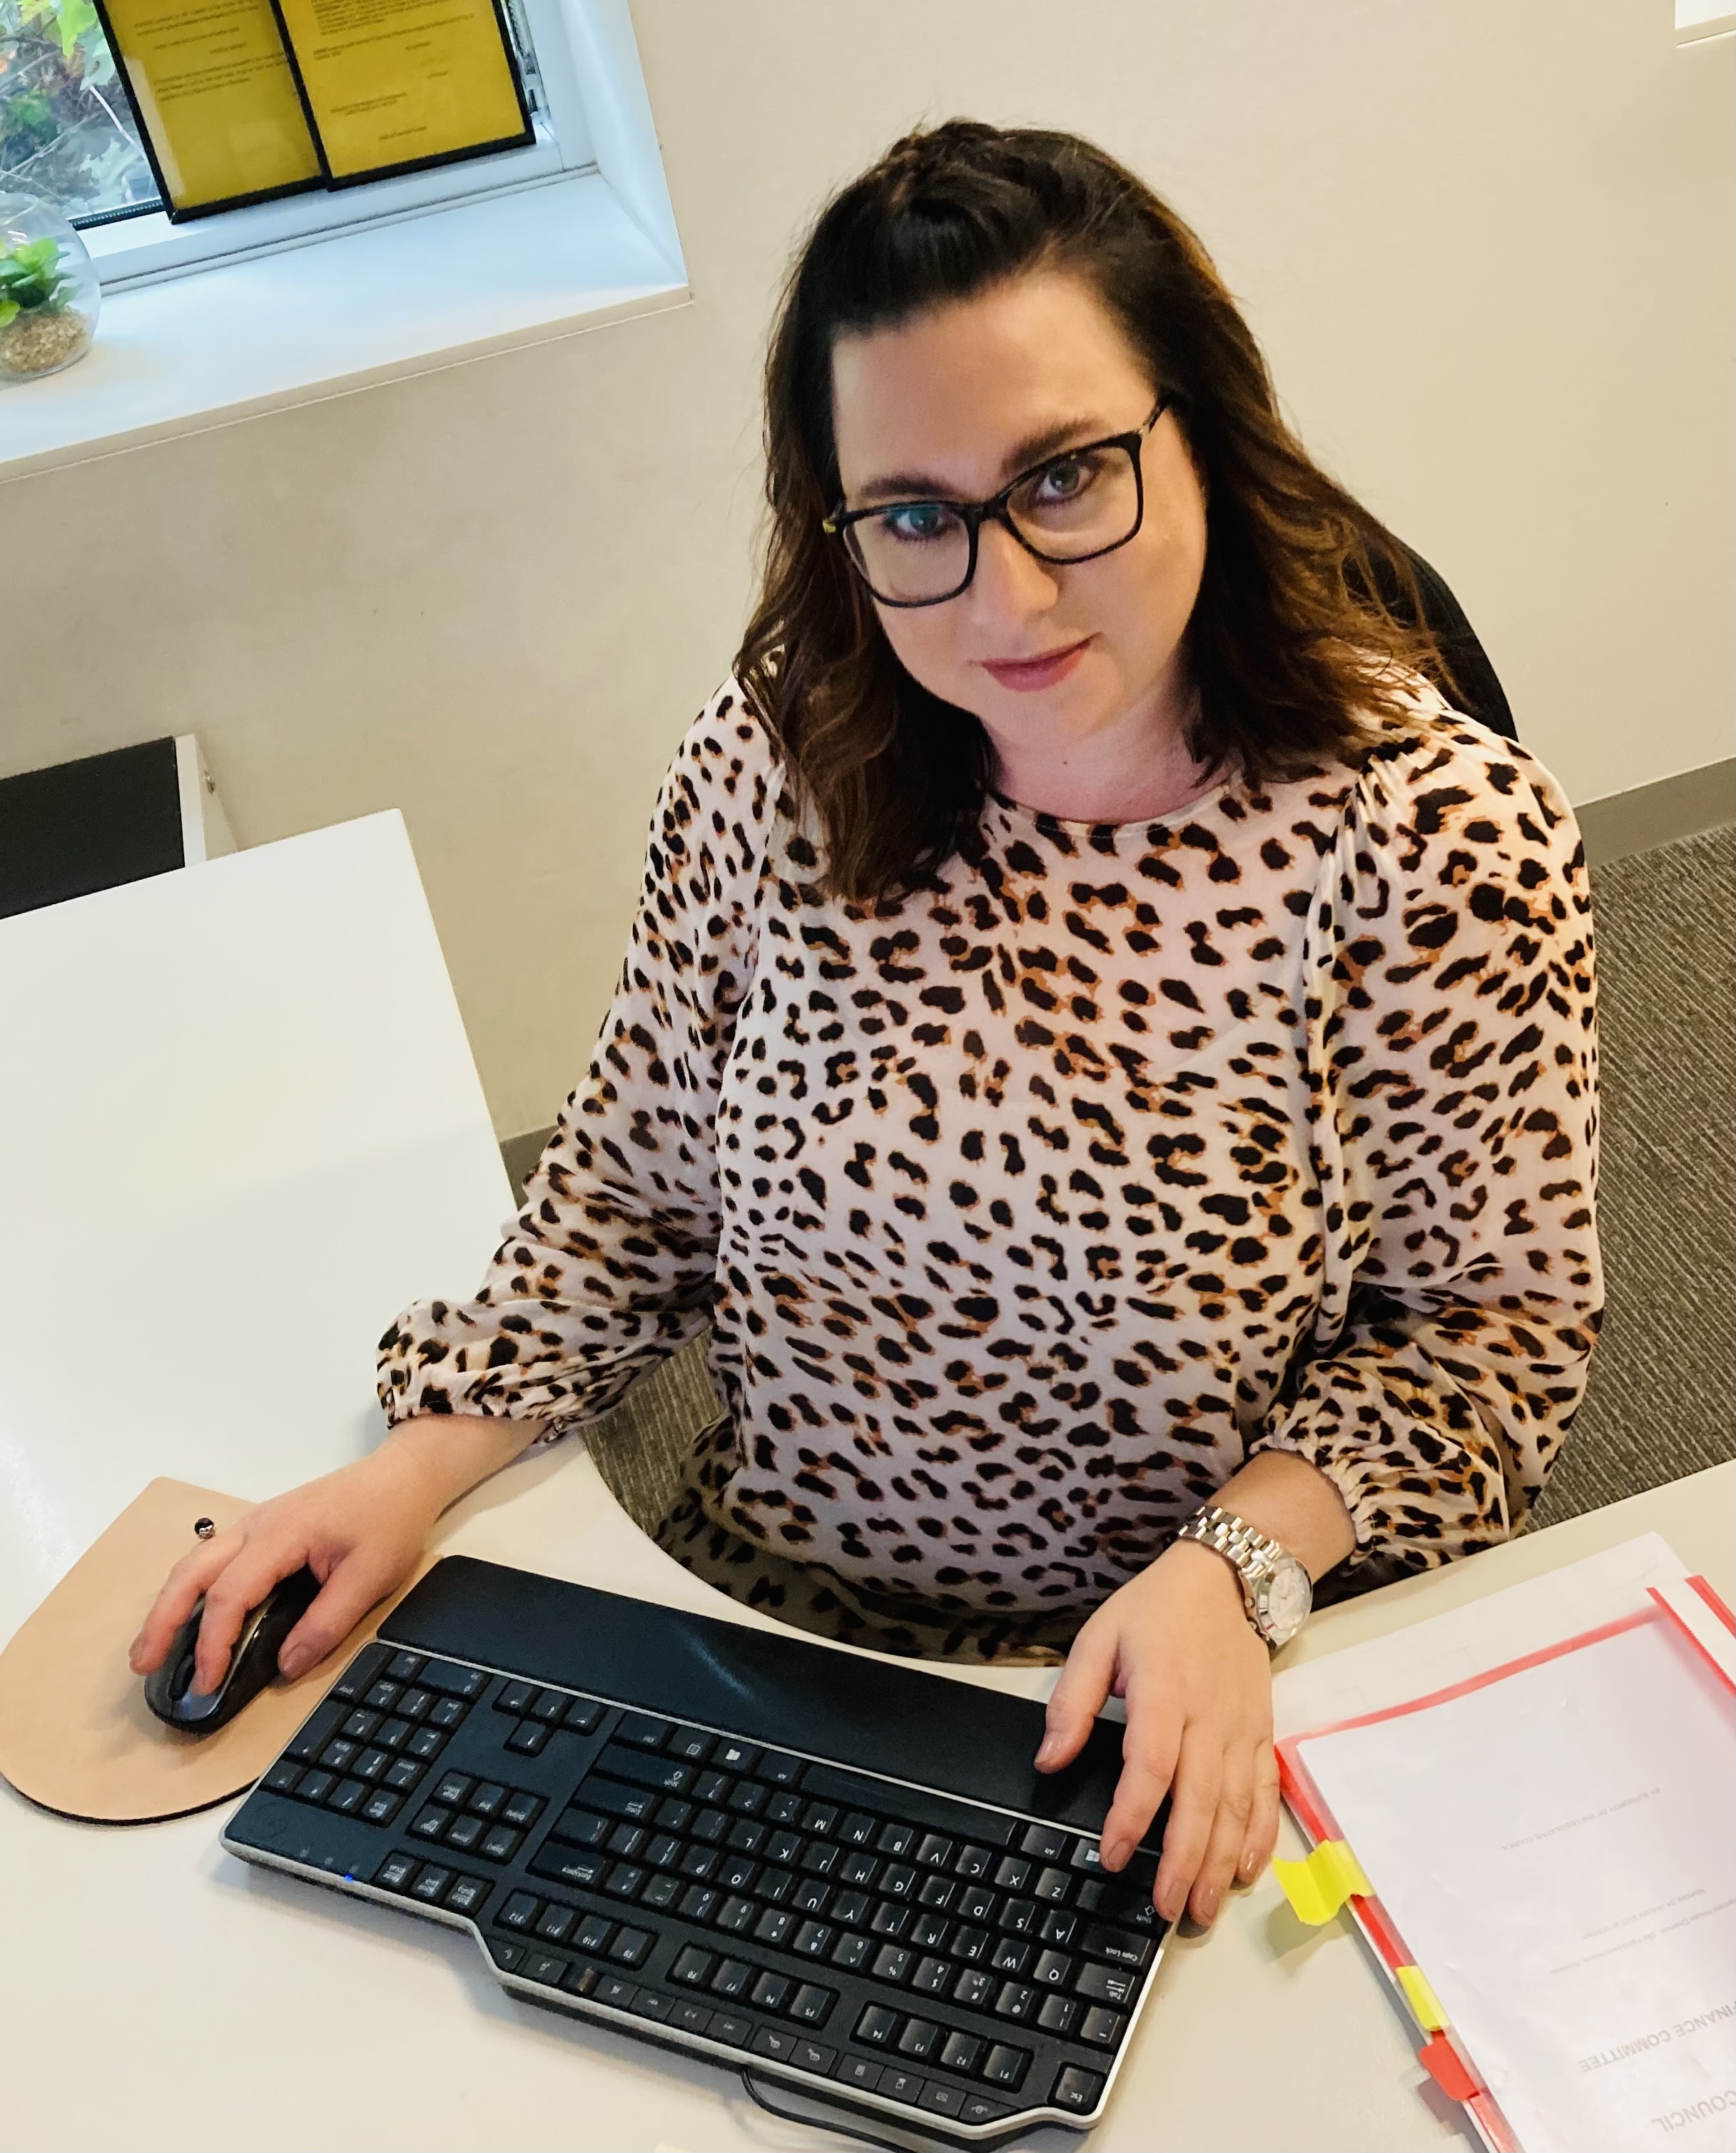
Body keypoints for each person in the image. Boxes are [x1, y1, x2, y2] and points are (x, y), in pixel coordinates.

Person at [133, 121, 1600, 1933]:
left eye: (1064, 477)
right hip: (783, 1645)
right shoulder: (781, 760)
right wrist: (407, 1470)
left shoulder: (1430, 837)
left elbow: (1491, 1340)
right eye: (914, 516)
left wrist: (1236, 1571)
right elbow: (634, 1187)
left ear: (1202, 427)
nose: (1005, 595)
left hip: (1180, 1673)